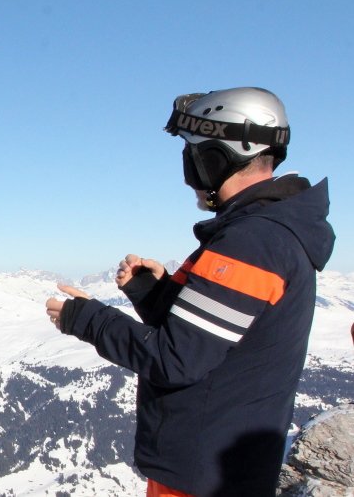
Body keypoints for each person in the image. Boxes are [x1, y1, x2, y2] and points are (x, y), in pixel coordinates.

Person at [46, 87, 335, 496]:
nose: (189, 173)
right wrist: (153, 293)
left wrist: (85, 319)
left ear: (219, 156)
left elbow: (175, 359)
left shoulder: (251, 243)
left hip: (206, 474)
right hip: (221, 465)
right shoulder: (269, 232)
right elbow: (214, 340)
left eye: (193, 154)